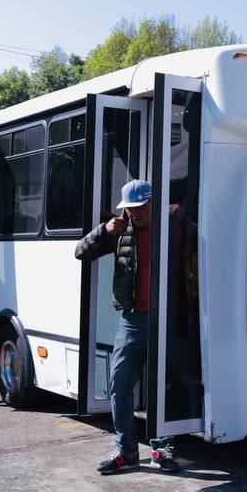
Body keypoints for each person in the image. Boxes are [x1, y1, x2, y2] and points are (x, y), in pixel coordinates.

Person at [74, 179, 180, 475]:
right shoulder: (121, 230)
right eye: (129, 209)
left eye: (139, 207)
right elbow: (80, 252)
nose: (133, 214)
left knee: (165, 386)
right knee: (120, 384)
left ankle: (162, 450)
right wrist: (102, 231)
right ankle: (126, 451)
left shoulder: (172, 224)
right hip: (133, 319)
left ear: (153, 203)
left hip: (166, 319)